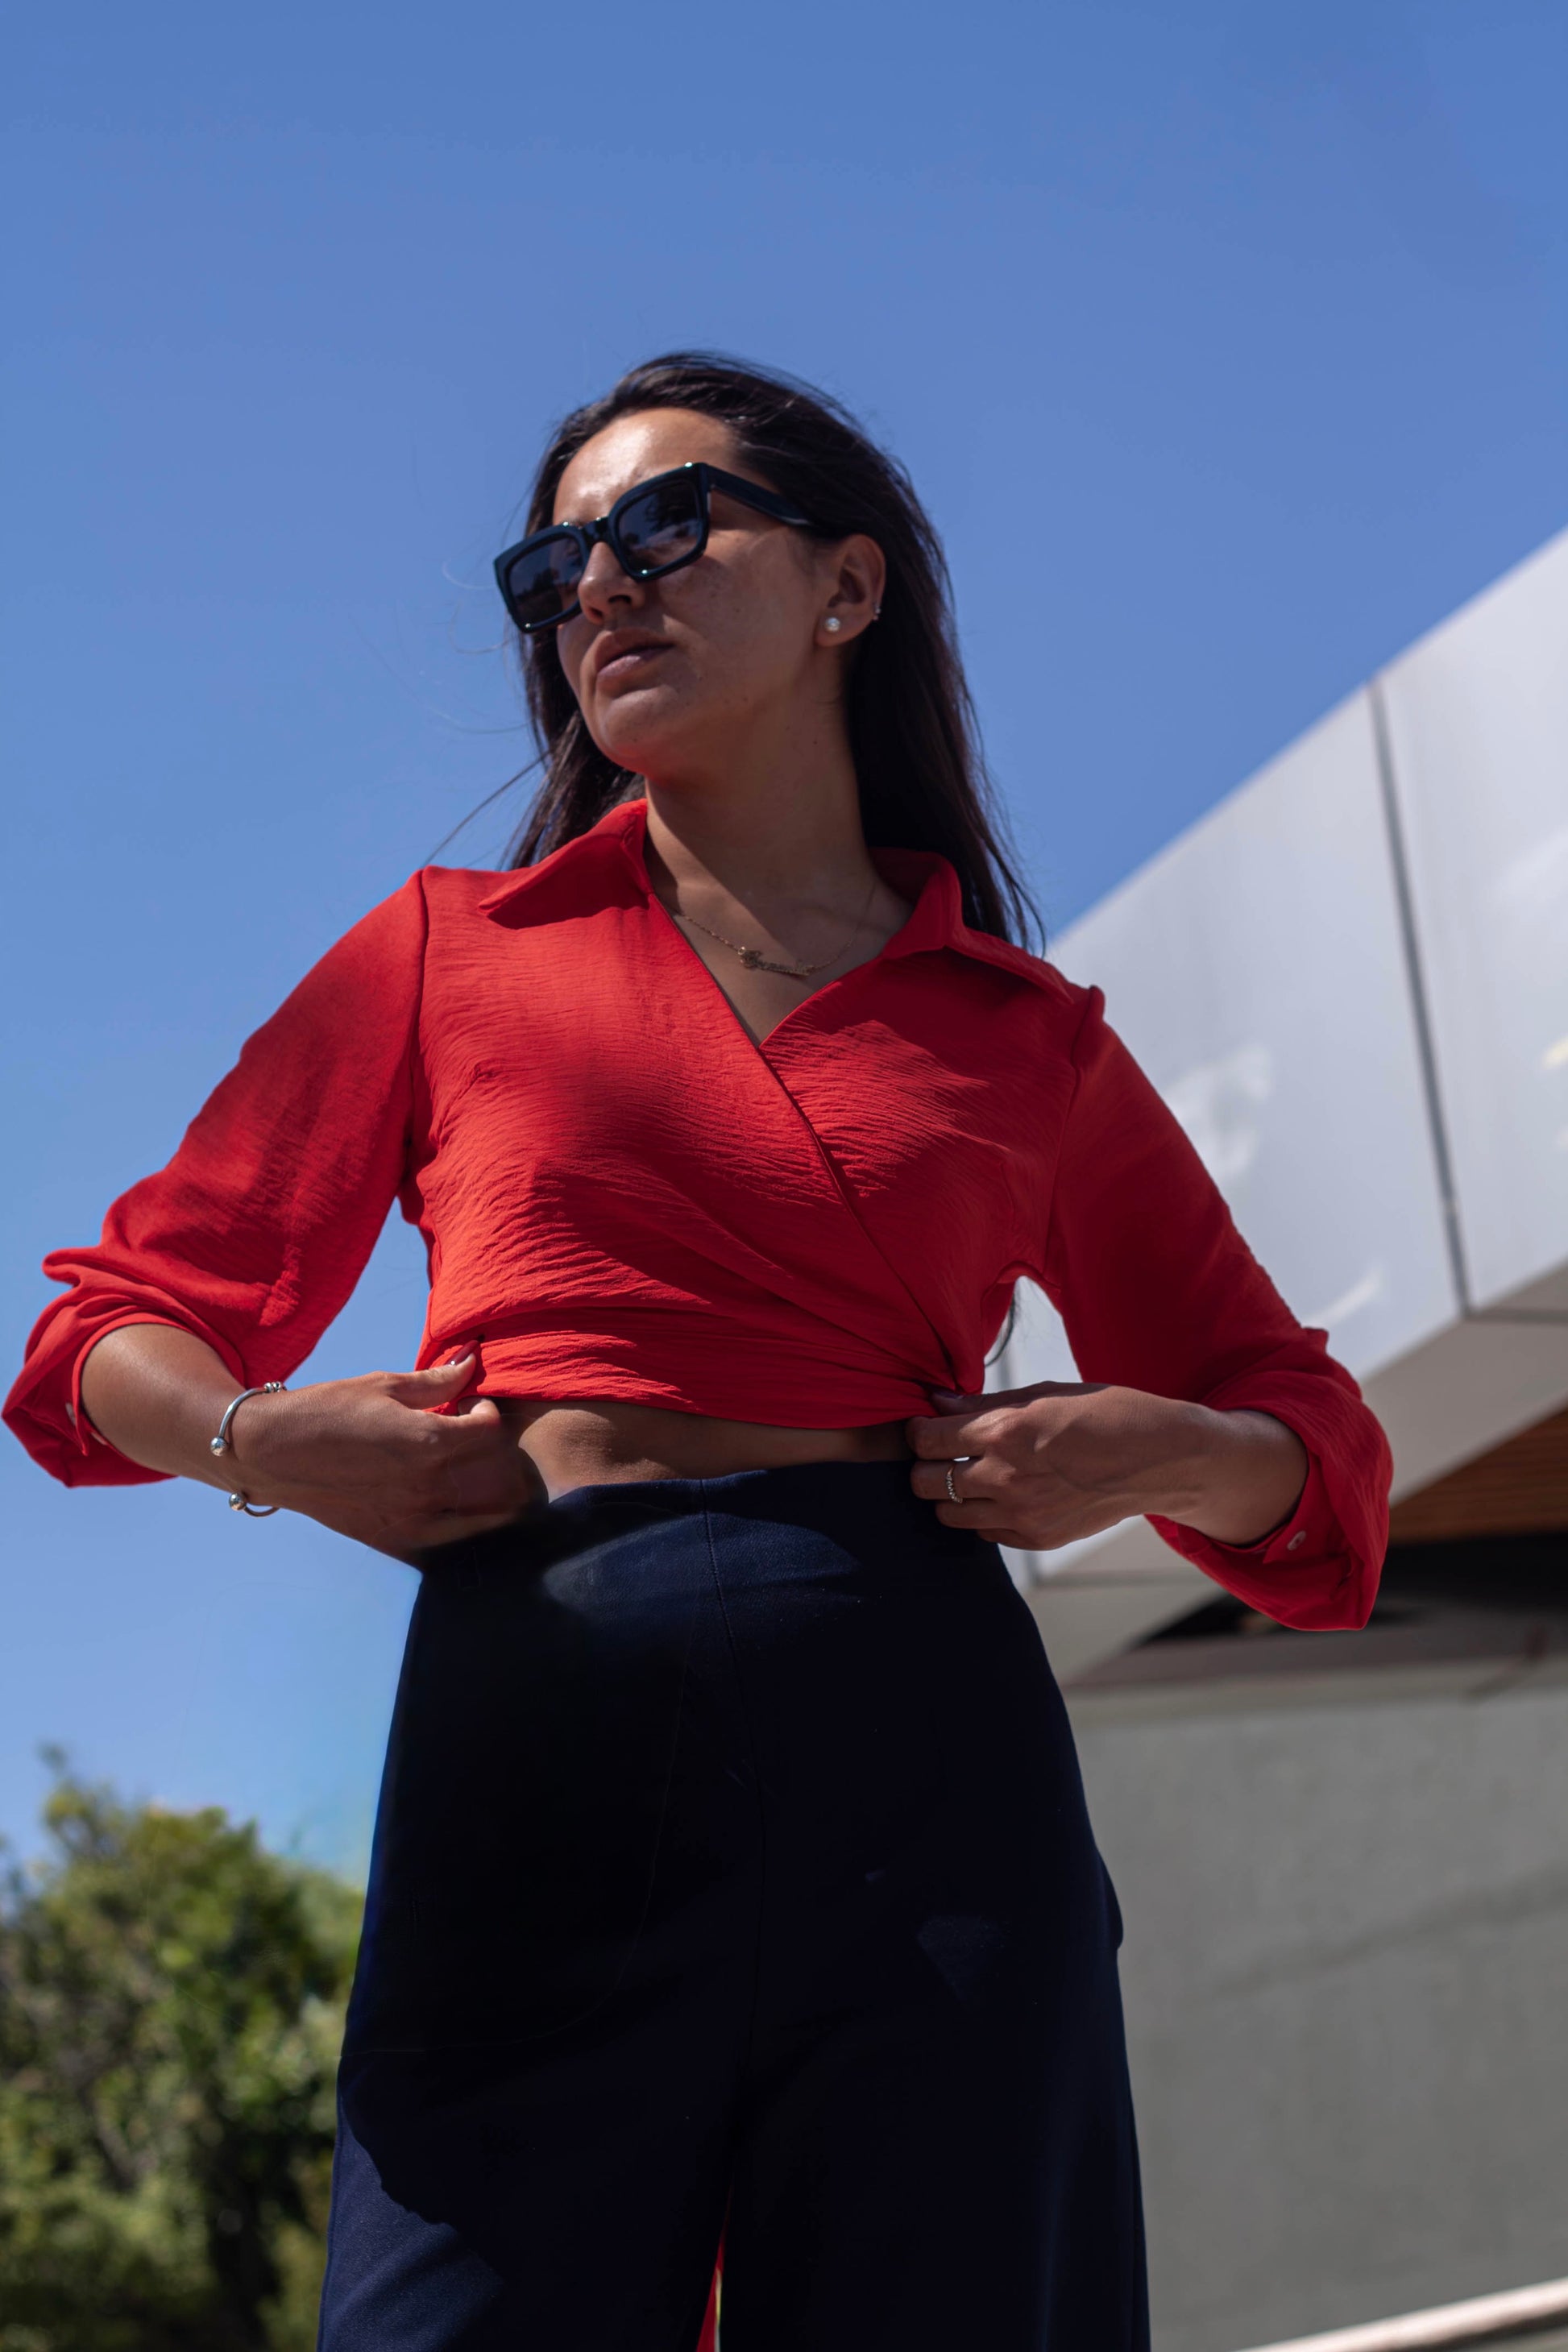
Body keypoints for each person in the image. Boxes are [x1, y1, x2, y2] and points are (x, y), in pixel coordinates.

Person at [6, 352, 1392, 2351]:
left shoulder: (1025, 1038)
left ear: (847, 585)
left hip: (929, 1768)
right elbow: (100, 1332)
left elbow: (1312, 1456)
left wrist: (1157, 1448)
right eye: (552, 564)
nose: (597, 585)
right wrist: (261, 1437)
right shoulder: (447, 952)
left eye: (665, 525)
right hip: (539, 1725)